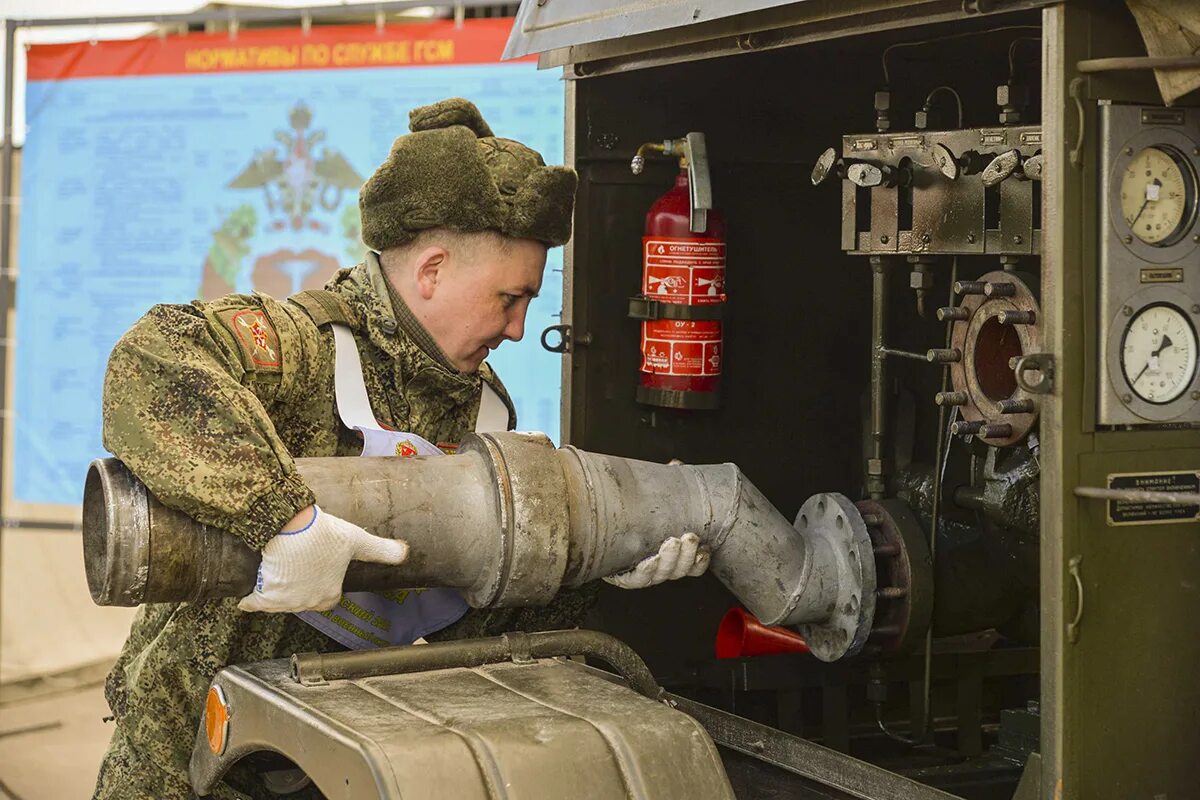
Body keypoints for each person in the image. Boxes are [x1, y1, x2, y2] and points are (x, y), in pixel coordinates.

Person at [92, 97, 709, 800]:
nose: (517, 328)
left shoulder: (485, 412)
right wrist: (286, 522)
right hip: (180, 758)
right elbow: (151, 359)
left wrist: (603, 554)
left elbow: (482, 621)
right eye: (510, 298)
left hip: (328, 770)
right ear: (433, 270)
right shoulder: (303, 350)